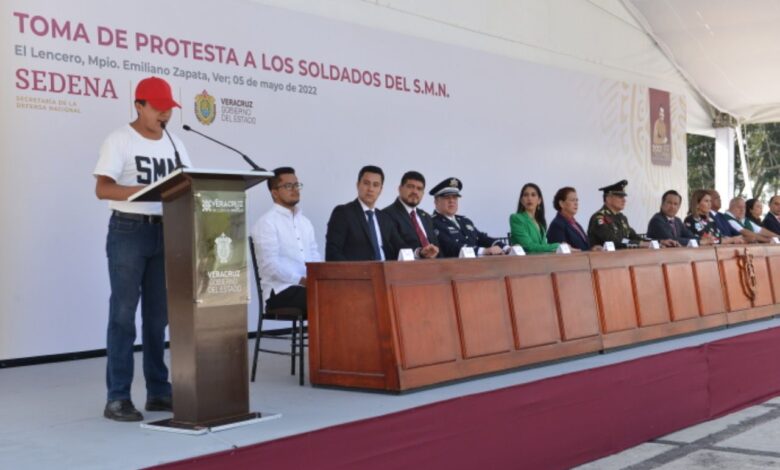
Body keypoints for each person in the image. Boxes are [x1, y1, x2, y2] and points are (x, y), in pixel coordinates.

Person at [94, 77, 191, 422]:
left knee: (157, 318)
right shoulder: (120, 140)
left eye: (169, 108)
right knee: (123, 316)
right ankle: (117, 397)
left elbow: (188, 186)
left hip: (167, 232)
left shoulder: (175, 143)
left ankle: (159, 392)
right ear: (139, 105)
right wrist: (143, 191)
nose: (165, 114)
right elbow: (103, 188)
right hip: (128, 231)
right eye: (158, 107)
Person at [251, 167, 320, 312]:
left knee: (343, 292)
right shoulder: (267, 223)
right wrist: (301, 280)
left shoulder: (305, 222)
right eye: (288, 186)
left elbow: (315, 256)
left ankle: (324, 335)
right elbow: (270, 266)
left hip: (307, 287)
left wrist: (320, 277)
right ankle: (321, 336)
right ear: (274, 192)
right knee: (327, 297)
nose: (294, 189)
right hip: (280, 291)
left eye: (296, 185)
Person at [325, 165, 407, 261]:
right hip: (357, 274)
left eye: (375, 185)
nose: (370, 189)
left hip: (386, 272)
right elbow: (333, 252)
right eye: (366, 183)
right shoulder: (343, 213)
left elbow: (402, 247)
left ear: (381, 190)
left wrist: (420, 252)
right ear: (358, 185)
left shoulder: (385, 218)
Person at [430, 177, 507, 257]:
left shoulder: (465, 221)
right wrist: (484, 251)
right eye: (447, 198)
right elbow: (451, 247)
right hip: (452, 267)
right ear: (436, 202)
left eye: (455, 197)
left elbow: (481, 238)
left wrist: (505, 247)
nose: (452, 201)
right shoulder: (432, 222)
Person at [382, 171, 439, 259]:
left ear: (423, 193)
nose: (415, 191)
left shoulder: (426, 217)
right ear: (400, 189)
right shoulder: (386, 215)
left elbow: (437, 247)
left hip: (434, 268)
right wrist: (419, 252)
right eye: (410, 187)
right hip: (406, 270)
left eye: (419, 189)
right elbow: (395, 247)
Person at [587, 180, 649, 249]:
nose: (624, 200)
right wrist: (639, 243)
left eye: (624, 197)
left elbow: (633, 236)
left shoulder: (622, 218)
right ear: (608, 199)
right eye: (620, 197)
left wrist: (653, 243)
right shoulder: (599, 218)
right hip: (605, 258)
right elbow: (614, 240)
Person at [509, 183, 567, 253]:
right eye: (526, 195)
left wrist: (564, 248)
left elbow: (544, 248)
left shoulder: (540, 222)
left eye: (533, 195)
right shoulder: (516, 218)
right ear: (521, 201)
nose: (529, 198)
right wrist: (558, 246)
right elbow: (529, 246)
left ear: (539, 200)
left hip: (541, 261)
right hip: (524, 262)